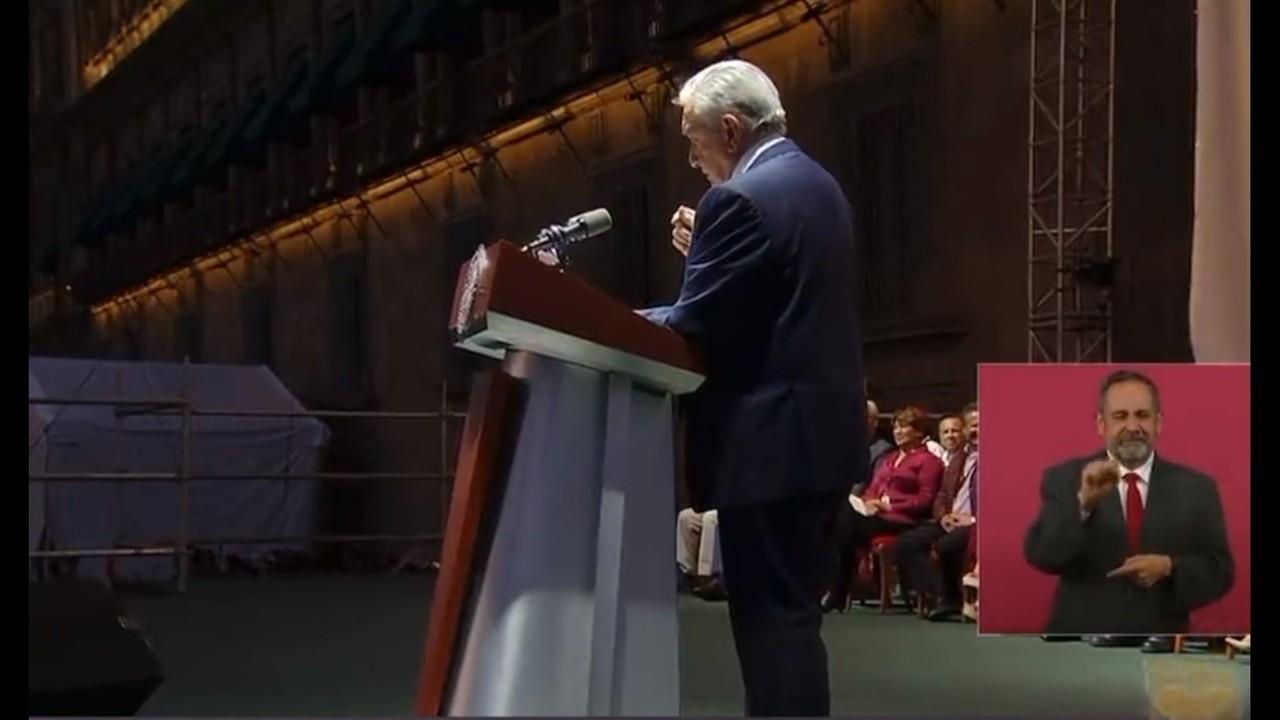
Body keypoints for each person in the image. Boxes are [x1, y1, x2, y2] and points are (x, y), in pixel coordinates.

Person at [639, 59, 864, 716]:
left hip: (769, 453)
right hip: (820, 444)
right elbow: (779, 298)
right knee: (794, 624)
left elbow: (694, 325)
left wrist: (609, 319)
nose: (692, 157)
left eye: (693, 140)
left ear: (730, 130)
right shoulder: (816, 184)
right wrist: (705, 256)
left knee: (773, 636)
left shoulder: (737, 199)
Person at [1024, 370, 1234, 636]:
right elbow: (1043, 555)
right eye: (1120, 416)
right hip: (1079, 640)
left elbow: (1221, 571)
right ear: (1102, 424)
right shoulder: (1065, 479)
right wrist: (1083, 506)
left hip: (1161, 641)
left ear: (1158, 423)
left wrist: (1170, 567)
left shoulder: (1197, 488)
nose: (1133, 427)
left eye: (1142, 415)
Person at [823, 406, 943, 611]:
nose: (897, 431)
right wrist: (869, 502)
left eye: (904, 427)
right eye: (896, 427)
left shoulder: (929, 461)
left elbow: (925, 500)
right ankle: (837, 590)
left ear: (920, 431)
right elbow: (872, 489)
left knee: (843, 526)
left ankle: (837, 591)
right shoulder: (889, 459)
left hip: (903, 520)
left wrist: (890, 505)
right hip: (875, 516)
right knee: (843, 523)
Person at [893, 405, 978, 620]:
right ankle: (936, 595)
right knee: (906, 542)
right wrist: (944, 517)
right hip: (950, 519)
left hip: (976, 522)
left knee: (947, 545)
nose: (976, 431)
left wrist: (973, 518)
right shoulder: (960, 457)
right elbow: (941, 494)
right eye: (972, 426)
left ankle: (950, 599)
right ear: (966, 429)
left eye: (981, 425)